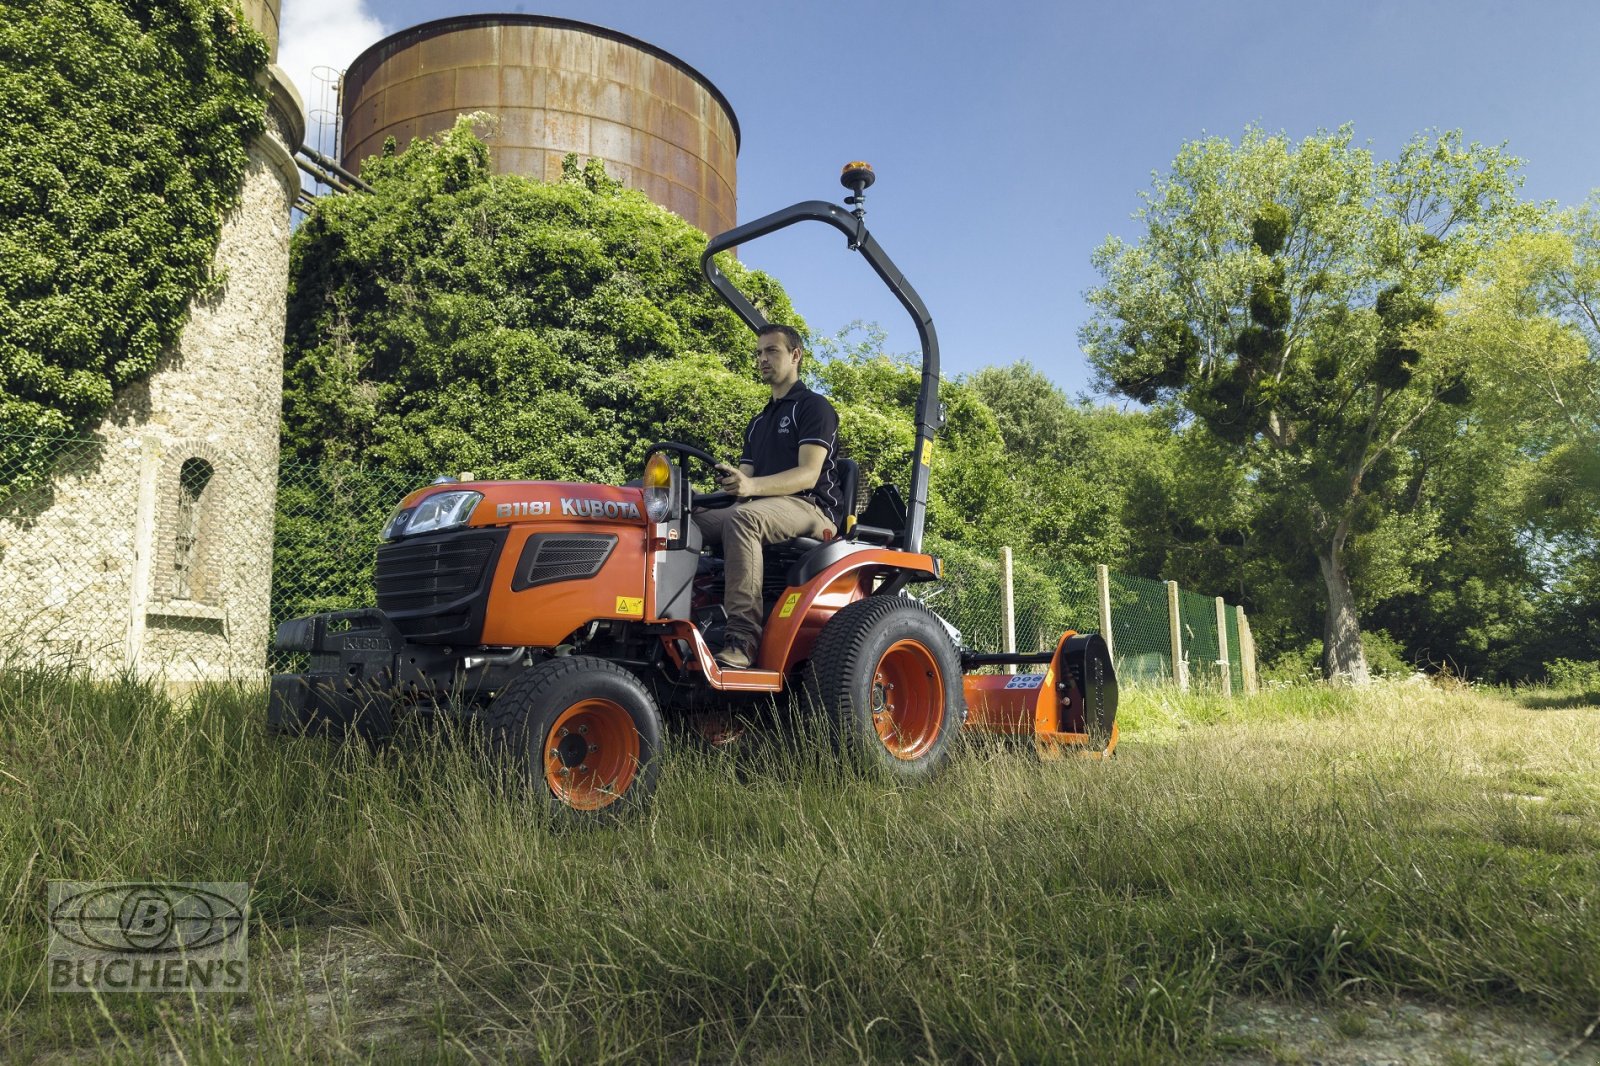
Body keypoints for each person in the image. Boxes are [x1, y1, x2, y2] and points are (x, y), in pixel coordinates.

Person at [694, 324, 842, 669]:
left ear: (795, 355)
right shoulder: (759, 421)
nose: (762, 359)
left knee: (744, 518)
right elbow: (743, 482)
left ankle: (742, 641)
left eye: (771, 351)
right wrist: (700, 497)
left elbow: (808, 474)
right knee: (681, 516)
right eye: (759, 352)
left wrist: (751, 488)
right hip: (764, 506)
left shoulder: (813, 407)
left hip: (811, 507)